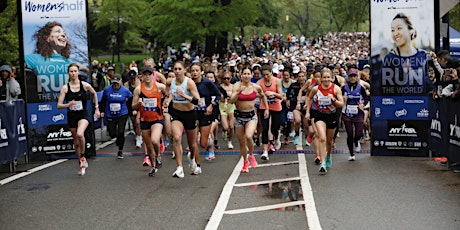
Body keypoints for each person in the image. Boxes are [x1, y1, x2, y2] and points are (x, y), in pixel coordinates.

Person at [57, 63, 100, 176]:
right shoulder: (65, 88)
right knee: (76, 142)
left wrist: (96, 109)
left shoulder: (84, 85)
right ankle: (81, 163)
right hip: (72, 116)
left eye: (75, 71)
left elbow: (94, 93)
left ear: (78, 72)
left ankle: (83, 156)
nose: (73, 73)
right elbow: (59, 105)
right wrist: (68, 104)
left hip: (83, 115)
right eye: (71, 71)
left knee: (80, 134)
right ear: (68, 73)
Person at [164, 61, 201, 178]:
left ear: (184, 70)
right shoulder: (170, 82)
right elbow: (169, 92)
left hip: (189, 114)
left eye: (180, 69)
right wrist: (168, 100)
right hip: (176, 113)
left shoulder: (189, 83)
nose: (177, 71)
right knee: (177, 137)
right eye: (175, 69)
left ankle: (191, 158)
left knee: (192, 144)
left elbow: (198, 101)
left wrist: (184, 95)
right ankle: (179, 168)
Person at [229, 67, 269, 172]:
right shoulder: (236, 86)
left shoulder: (255, 87)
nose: (246, 76)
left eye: (248, 74)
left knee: (249, 136)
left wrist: (266, 109)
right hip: (239, 116)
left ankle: (251, 155)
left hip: (251, 116)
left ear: (251, 75)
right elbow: (231, 101)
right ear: (241, 75)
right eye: (244, 74)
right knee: (242, 142)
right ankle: (245, 162)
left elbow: (263, 96)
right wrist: (238, 92)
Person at [305, 68, 344, 175]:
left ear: (331, 78)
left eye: (328, 77)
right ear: (320, 78)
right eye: (324, 77)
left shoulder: (336, 89)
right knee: (322, 138)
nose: (326, 80)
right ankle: (322, 164)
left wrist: (334, 99)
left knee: (329, 141)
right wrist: (308, 111)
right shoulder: (316, 89)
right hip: (320, 115)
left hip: (332, 116)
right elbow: (309, 98)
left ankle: (328, 156)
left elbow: (341, 104)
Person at [132, 66, 168, 176]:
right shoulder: (138, 89)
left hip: (157, 119)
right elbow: (133, 106)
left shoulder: (159, 86)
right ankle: (153, 166)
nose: (147, 76)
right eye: (145, 74)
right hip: (144, 120)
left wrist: (166, 102)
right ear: (142, 76)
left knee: (155, 140)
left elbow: (169, 93)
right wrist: (138, 104)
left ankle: (158, 156)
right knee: (148, 146)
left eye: (149, 74)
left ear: (153, 76)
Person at [25, 21, 73, 98]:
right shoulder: (34, 59)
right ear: (47, 38)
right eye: (58, 32)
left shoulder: (71, 63)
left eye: (64, 33)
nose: (63, 35)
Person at [190, 63, 221, 162]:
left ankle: (209, 146)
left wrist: (211, 105)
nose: (195, 73)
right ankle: (195, 162)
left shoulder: (207, 82)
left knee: (203, 143)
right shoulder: (189, 83)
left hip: (205, 113)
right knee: (192, 140)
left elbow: (218, 95)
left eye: (197, 70)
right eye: (193, 71)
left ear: (201, 72)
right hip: (193, 112)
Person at [99, 74, 132, 159]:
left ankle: (120, 150)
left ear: (120, 82)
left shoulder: (125, 90)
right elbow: (103, 101)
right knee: (112, 133)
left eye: (117, 83)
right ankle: (117, 139)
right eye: (114, 83)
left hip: (122, 114)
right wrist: (102, 111)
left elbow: (131, 100)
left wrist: (131, 111)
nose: (115, 85)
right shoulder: (107, 90)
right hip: (110, 114)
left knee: (121, 132)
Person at [341, 68, 369, 161]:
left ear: (357, 77)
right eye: (351, 76)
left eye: (354, 76)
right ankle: (351, 154)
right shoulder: (344, 87)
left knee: (359, 133)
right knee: (349, 133)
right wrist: (342, 102)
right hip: (347, 113)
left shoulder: (361, 87)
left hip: (358, 113)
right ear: (348, 77)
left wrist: (363, 104)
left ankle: (356, 141)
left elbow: (366, 98)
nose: (352, 78)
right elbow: (339, 98)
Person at [258, 64, 283, 160]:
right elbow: (256, 94)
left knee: (274, 127)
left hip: (276, 106)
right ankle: (265, 151)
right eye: (263, 75)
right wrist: (263, 95)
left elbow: (281, 96)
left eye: (267, 74)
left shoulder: (276, 81)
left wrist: (273, 93)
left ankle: (276, 137)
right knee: (265, 128)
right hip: (264, 106)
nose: (266, 77)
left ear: (271, 73)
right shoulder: (260, 83)